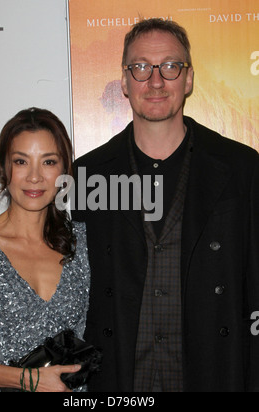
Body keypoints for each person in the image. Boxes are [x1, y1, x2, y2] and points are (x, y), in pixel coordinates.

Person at [72, 19, 259, 392]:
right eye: (140, 67)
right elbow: (67, 281)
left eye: (170, 66)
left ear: (188, 79)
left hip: (212, 370)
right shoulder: (89, 174)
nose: (155, 81)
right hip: (119, 376)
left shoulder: (241, 167)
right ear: (125, 82)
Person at [0, 108, 90, 392]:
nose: (34, 177)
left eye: (48, 162)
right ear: (4, 168)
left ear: (64, 171)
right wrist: (28, 379)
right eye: (21, 161)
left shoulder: (83, 242)